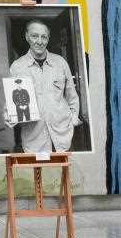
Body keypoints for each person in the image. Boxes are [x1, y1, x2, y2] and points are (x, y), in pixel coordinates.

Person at [5, 20, 81, 153]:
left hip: (63, 136)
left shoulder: (60, 63)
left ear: (48, 38)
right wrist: (10, 116)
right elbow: (11, 104)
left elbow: (72, 96)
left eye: (44, 37)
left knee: (66, 166)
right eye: (34, 36)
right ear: (27, 37)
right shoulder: (17, 67)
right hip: (35, 142)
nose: (39, 41)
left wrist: (73, 119)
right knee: (40, 167)